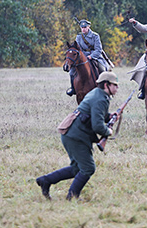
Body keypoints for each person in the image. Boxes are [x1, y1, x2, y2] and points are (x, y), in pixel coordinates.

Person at [36, 71, 119, 201]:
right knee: (88, 168)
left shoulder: (97, 94)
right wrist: (108, 132)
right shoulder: (101, 98)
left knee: (76, 169)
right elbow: (97, 126)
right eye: (115, 85)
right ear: (106, 85)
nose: (117, 88)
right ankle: (72, 196)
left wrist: (109, 116)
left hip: (72, 134)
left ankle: (45, 181)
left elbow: (94, 114)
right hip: (76, 136)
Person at [66, 19, 109, 96]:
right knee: (72, 71)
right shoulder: (79, 36)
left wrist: (91, 56)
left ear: (88, 27)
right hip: (82, 57)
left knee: (103, 69)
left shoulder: (95, 36)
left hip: (95, 56)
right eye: (82, 28)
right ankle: (73, 88)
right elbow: (78, 49)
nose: (83, 29)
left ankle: (104, 89)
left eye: (85, 27)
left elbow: (98, 49)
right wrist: (83, 57)